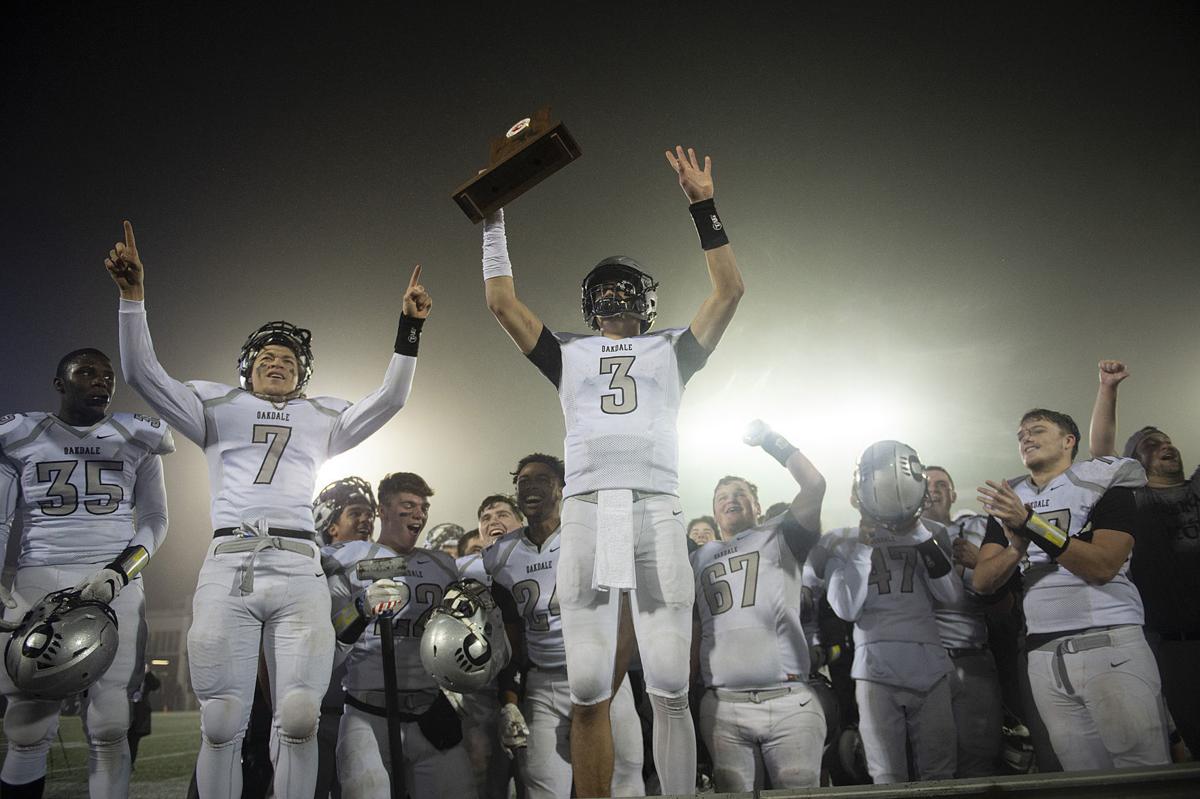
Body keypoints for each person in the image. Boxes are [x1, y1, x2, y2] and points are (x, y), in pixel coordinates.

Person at [104, 220, 430, 798]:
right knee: (223, 720)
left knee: (301, 716)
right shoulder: (215, 405)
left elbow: (392, 399)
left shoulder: (320, 417)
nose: (276, 363)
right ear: (246, 367)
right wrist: (133, 299)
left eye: (287, 358)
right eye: (265, 357)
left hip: (299, 564)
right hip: (230, 561)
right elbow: (140, 374)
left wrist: (409, 328)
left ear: (303, 373)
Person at [481, 145, 744, 796]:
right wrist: (492, 218)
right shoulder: (568, 350)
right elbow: (500, 300)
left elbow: (729, 289)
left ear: (646, 301)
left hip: (655, 504)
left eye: (626, 288)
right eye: (607, 289)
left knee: (670, 683)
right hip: (593, 509)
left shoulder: (671, 347)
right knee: (590, 683)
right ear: (591, 301)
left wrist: (703, 206)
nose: (616, 295)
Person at [0, 348, 173, 798]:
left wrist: (120, 572)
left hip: (113, 583)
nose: (101, 380)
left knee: (112, 721)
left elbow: (156, 520)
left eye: (107, 374)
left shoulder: (138, 436)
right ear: (60, 383)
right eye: (86, 372)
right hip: (39, 574)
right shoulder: (21, 433)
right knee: (27, 725)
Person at [974, 408, 1169, 770]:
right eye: (1020, 435)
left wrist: (1031, 525)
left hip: (1107, 642)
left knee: (1143, 773)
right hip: (1043, 654)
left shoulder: (1104, 479)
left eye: (1037, 430)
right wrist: (1016, 548)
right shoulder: (1011, 497)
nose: (1026, 438)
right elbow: (983, 582)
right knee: (1082, 778)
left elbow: (1103, 566)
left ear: (1069, 441)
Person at [485, 453, 644, 798]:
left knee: (623, 785)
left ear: (561, 488)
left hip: (604, 675)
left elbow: (625, 622)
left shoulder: (594, 532)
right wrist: (509, 699)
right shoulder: (501, 555)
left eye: (542, 478)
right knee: (541, 786)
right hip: (545, 683)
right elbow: (510, 636)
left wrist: (607, 693)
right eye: (523, 480)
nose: (530, 485)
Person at [692, 421, 825, 790]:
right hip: (722, 704)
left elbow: (814, 485)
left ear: (758, 506)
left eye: (740, 493)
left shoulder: (780, 534)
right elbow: (692, 626)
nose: (730, 499)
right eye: (721, 497)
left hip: (788, 701)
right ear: (714, 513)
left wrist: (771, 440)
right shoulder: (698, 557)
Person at [325, 471, 474, 798]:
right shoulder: (347, 559)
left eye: (423, 507)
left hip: (429, 712)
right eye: (409, 505)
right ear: (383, 510)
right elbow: (328, 643)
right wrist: (360, 608)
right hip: (368, 714)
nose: (419, 514)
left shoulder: (442, 565)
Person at [818, 441, 960, 783]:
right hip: (874, 665)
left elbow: (951, 595)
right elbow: (847, 609)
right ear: (855, 496)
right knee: (885, 774)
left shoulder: (934, 533)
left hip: (929, 660)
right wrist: (863, 548)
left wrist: (918, 531)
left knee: (940, 772)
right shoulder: (842, 539)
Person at [1088, 360, 1200, 758]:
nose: (1165, 445)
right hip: (1170, 646)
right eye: (1151, 443)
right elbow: (1101, 453)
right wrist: (1109, 389)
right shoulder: (1133, 498)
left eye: (1167, 439)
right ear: (1134, 461)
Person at [923, 466, 1003, 776]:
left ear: (953, 494)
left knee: (978, 760)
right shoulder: (895, 537)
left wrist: (978, 563)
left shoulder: (976, 528)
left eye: (941, 483)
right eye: (925, 484)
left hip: (972, 658)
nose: (933, 489)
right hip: (921, 663)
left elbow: (1001, 582)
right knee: (929, 765)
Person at [312, 477, 379, 798]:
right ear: (330, 524)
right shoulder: (314, 565)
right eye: (355, 513)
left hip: (360, 709)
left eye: (370, 514)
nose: (367, 520)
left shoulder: (377, 561)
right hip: (318, 707)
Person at [458, 494, 524, 799]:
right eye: (485, 517)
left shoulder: (551, 553)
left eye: (502, 514)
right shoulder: (463, 569)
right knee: (485, 779)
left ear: (521, 522)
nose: (493, 521)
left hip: (543, 681)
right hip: (486, 689)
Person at [315, 477, 378, 546]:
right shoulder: (309, 556)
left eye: (369, 515)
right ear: (332, 529)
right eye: (355, 514)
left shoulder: (382, 554)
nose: (366, 519)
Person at [128, 665, 162, 766]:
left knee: (134, 740)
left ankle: (130, 763)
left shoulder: (144, 673)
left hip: (139, 712)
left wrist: (148, 673)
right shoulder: (127, 671)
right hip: (126, 708)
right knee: (122, 738)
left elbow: (155, 685)